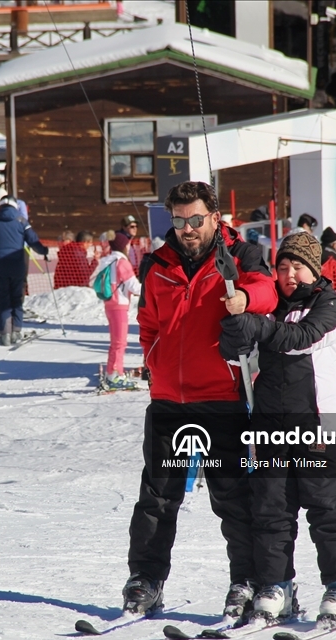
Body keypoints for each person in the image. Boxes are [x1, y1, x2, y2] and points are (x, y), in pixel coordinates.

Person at [124, 180, 278, 617]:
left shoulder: (239, 255)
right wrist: (154, 367)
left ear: (214, 217)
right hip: (170, 400)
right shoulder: (158, 262)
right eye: (178, 220)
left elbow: (268, 293)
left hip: (221, 398)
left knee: (230, 495)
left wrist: (245, 297)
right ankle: (145, 580)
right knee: (157, 496)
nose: (187, 228)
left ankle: (244, 581)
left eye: (195, 220)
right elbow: (148, 321)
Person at [219, 232, 336, 623]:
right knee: (270, 508)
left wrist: (257, 328)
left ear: (314, 269)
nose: (289, 274)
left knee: (325, 506)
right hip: (270, 423)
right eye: (282, 267)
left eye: (297, 266)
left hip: (318, 424)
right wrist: (233, 340)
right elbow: (243, 362)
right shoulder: (268, 308)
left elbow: (300, 339)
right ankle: (276, 585)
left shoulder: (329, 304)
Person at [0, 194, 49, 345]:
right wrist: (44, 251)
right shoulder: (22, 221)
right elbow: (34, 241)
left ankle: (5, 334)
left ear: (0, 207)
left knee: (3, 299)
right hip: (17, 266)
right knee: (16, 298)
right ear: (16, 207)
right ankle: (16, 331)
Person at [90, 231, 141, 391]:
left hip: (110, 304)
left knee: (116, 342)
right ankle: (114, 374)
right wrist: (151, 288)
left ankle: (115, 371)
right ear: (123, 246)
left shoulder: (108, 261)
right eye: (127, 244)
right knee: (120, 342)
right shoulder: (122, 262)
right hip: (119, 305)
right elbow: (133, 286)